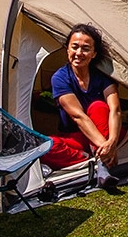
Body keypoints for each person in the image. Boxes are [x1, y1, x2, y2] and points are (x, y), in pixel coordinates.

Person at [45, 24, 121, 171]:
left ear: (94, 54)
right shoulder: (60, 78)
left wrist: (111, 141)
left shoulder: (102, 76)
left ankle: (99, 158)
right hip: (76, 137)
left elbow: (115, 109)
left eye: (86, 49)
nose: (79, 53)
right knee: (46, 146)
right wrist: (106, 148)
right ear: (67, 49)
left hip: (107, 133)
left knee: (98, 107)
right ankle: (95, 160)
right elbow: (78, 116)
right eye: (74, 47)